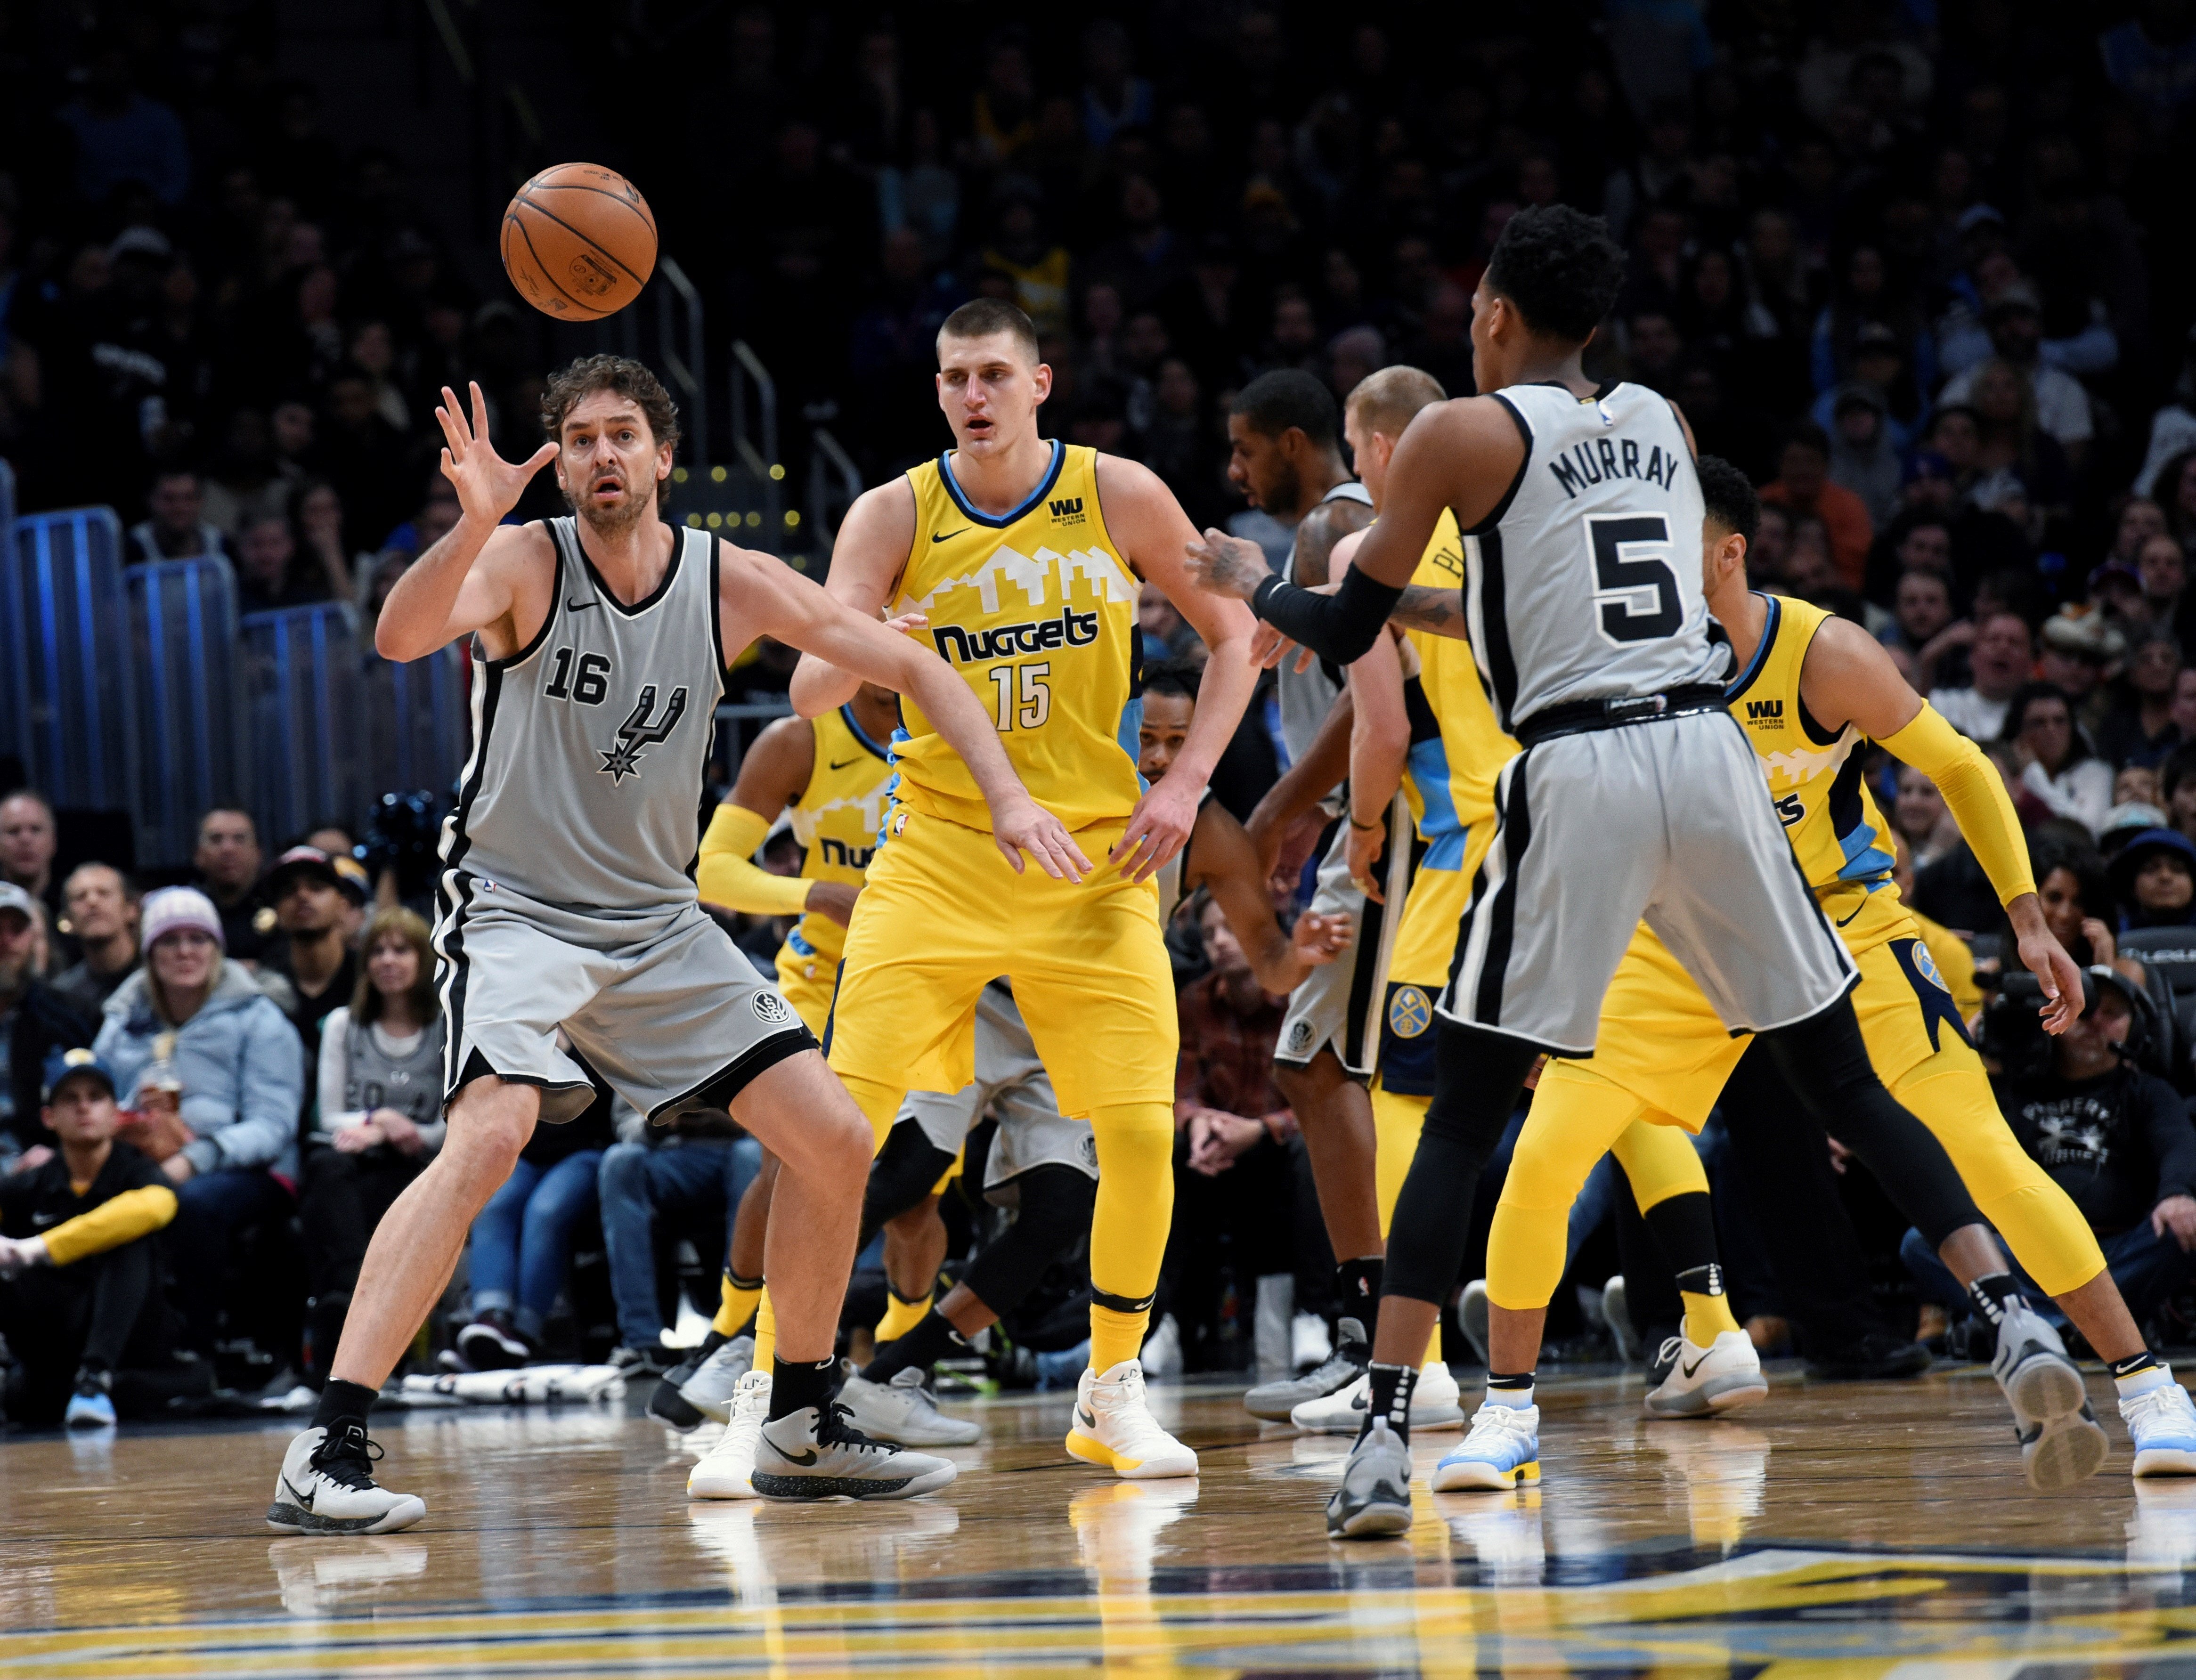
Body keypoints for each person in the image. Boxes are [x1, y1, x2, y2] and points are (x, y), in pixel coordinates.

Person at [1177, 204, 2147, 1540]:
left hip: (1576, 772)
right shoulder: (1662, 424)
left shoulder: (1460, 433)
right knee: (1846, 1083)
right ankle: (2005, 1317)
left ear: (1497, 315)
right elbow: (1512, 591)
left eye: (1472, 312)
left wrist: (1242, 580)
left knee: (1460, 1116)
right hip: (1704, 752)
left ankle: (1386, 1429)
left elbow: (1344, 617)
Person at [271, 357, 1079, 1534]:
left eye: (624, 435)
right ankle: (328, 1442)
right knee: (490, 1134)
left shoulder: (727, 580)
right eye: (582, 437)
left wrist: (1007, 797)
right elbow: (400, 636)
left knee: (838, 1138)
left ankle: (799, 1414)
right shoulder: (524, 557)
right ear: (565, 460)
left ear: (663, 455)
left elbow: (909, 666)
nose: (603, 455)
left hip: (655, 921)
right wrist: (475, 520)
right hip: (519, 904)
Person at [1450, 459, 2190, 1496]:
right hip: (1673, 950)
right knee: (1544, 1157)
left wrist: (2028, 921)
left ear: (1728, 552)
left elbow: (1965, 767)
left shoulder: (1821, 653)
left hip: (1842, 930)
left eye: (1671, 539)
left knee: (1981, 1150)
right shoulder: (1621, 656)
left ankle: (2151, 1386)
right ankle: (1508, 1412)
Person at [788, 300, 1257, 1485]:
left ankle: (1111, 1387)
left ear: (1041, 382)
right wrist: (865, 645)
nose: (974, 396)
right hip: (939, 854)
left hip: (1093, 862)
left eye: (995, 374)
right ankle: (772, 1387)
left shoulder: (1121, 494)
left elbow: (1239, 634)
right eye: (954, 378)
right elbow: (802, 690)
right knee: (837, 1130)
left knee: (1141, 1131)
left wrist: (1187, 784)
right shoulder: (891, 512)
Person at [815, 661, 1351, 1454]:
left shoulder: (1204, 829)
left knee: (1063, 1209)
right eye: (1147, 738)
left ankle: (898, 1371)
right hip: (983, 999)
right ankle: (772, 1357)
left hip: (1072, 1027)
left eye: (1179, 740)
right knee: (898, 1173)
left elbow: (1267, 961)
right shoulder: (1046, 778)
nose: (1162, 757)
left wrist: (1298, 953)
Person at [1240, 365, 1508, 1435]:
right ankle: (1387, 1328)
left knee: (1355, 1075)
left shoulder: (1350, 531)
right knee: (1332, 1069)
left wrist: (1294, 821)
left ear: (1325, 444)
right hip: (1474, 822)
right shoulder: (1445, 531)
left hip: (1409, 840)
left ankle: (1399, 1343)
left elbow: (1371, 725)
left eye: (1245, 448)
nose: (1236, 468)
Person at [651, 679, 902, 1442]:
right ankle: (734, 1340)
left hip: (921, 972)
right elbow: (713, 871)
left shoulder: (962, 720)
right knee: (788, 1161)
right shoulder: (800, 739)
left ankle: (897, 1370)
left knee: (920, 1187)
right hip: (822, 977)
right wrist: (812, 892)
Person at [1904, 969, 2196, 1339]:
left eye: (2113, 1013)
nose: (2095, 1022)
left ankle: (2030, 1324)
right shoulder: (2014, 1088)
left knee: (2184, 1226)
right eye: (2085, 1009)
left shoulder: (2147, 1092)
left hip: (2114, 1253)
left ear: (2136, 1028)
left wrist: (2176, 1194)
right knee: (1922, 1241)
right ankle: (2082, 1325)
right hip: (2026, 1252)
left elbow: (2179, 1145)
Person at [93, 887, 302, 1359]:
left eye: (198, 939)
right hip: (144, 1158)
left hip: (250, 1170)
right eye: (170, 941)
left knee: (190, 1205)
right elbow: (98, 1095)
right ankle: (100, 1354)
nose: (185, 951)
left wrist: (195, 1157)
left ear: (217, 949)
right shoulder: (123, 1019)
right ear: (150, 954)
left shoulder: (259, 1018)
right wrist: (131, 1113)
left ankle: (196, 1353)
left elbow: (274, 1124)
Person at [298, 908, 446, 1389]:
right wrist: (380, 1121)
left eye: (400, 950)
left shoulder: (445, 1027)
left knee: (388, 1185)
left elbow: (452, 1127)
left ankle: (373, 1331)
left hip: (418, 1162)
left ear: (424, 961)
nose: (387, 961)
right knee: (327, 1168)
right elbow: (329, 1114)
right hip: (354, 1157)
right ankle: (347, 1296)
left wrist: (403, 1132)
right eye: (377, 952)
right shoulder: (344, 1024)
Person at [0, 1049, 179, 1428]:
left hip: (130, 1339)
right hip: (54, 1341)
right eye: (70, 1099)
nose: (84, 1108)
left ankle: (95, 1379)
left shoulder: (137, 1169)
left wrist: (39, 1248)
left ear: (116, 1113)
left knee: (130, 1236)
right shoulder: (31, 1182)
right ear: (49, 1116)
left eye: (96, 1097)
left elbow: (159, 1205)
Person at [0, 882, 100, 1167]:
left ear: (33, 939)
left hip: (44, 1170)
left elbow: (100, 1109)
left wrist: (60, 1157)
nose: (6, 941)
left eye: (16, 930)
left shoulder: (72, 1018)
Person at [2003, 682, 2113, 836]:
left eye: (2060, 721)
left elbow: (2086, 832)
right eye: (2039, 723)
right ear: (2019, 731)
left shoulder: (2096, 773)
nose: (2051, 731)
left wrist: (2035, 775)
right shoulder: (2003, 771)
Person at [49, 864, 140, 1019]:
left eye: (104, 893)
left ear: (131, 910)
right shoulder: (61, 997)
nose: (92, 902)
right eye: (80, 897)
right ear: (68, 919)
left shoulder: (159, 981)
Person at [1932, 610, 2034, 740]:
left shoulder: (2042, 718)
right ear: (1972, 656)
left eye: (2014, 642)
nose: (2003, 647)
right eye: (1993, 639)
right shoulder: (1941, 704)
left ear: (2030, 663)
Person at [192, 808, 273, 962]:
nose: (228, 849)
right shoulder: (187, 911)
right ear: (198, 855)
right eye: (216, 839)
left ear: (258, 853)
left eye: (240, 839)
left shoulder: (280, 905)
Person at [0, 789, 61, 931]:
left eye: (36, 830)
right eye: (14, 831)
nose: (25, 840)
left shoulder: (73, 905)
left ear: (53, 841)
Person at [2113, 828, 2196, 932]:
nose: (2165, 877)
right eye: (2150, 869)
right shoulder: (2113, 936)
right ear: (2131, 886)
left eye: (2178, 869)